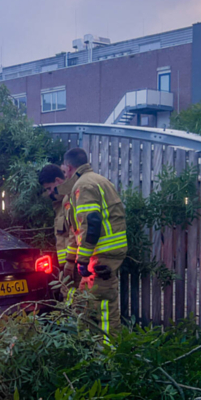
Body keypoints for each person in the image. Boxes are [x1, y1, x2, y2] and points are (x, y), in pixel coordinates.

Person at [61, 147, 127, 344]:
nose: (65, 177)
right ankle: (89, 347)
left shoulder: (83, 185)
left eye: (65, 172)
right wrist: (72, 260)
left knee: (105, 306)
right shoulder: (99, 180)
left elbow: (91, 223)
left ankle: (110, 356)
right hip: (106, 252)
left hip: (101, 255)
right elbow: (79, 230)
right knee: (85, 301)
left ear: (70, 168)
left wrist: (82, 259)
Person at [39, 163, 81, 297]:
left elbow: (76, 234)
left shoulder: (73, 200)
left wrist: (70, 262)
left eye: (50, 188)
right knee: (69, 300)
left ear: (58, 181)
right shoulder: (59, 205)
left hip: (76, 265)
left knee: (77, 301)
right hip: (67, 268)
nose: (50, 193)